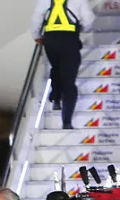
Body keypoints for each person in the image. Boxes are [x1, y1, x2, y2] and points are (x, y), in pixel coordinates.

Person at [30, 0, 95, 129]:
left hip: (51, 40)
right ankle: (66, 121)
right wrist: (80, 28)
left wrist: (36, 36)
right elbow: (89, 20)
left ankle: (56, 98)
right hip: (69, 39)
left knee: (56, 67)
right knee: (69, 81)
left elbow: (36, 19)